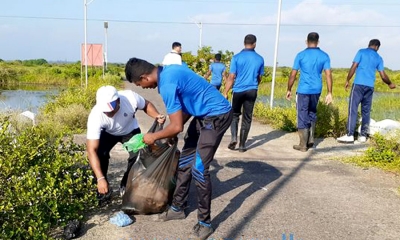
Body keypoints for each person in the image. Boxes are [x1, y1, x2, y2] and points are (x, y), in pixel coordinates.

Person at [125, 58, 232, 240]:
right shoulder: (170, 70)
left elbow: (176, 127)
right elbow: (188, 103)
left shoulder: (167, 83)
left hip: (217, 116)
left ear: (144, 77)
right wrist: (171, 131)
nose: (142, 88)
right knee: (184, 162)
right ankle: (177, 208)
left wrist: (153, 136)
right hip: (201, 114)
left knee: (199, 169)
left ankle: (205, 223)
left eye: (139, 84)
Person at [86, 85, 165, 202]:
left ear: (118, 101)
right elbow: (91, 150)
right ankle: (103, 189)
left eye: (110, 109)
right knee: (100, 154)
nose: (108, 113)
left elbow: (146, 104)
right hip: (108, 133)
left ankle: (126, 184)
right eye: (105, 110)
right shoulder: (96, 116)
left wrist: (157, 115)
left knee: (138, 156)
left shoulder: (130, 98)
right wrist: (100, 178)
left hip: (130, 131)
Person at [337, 39, 396, 143]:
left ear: (369, 45)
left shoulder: (361, 52)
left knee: (353, 109)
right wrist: (390, 83)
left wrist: (347, 80)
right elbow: (383, 75)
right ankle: (363, 136)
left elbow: (354, 66)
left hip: (358, 85)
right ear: (377, 47)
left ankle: (350, 135)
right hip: (370, 87)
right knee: (366, 111)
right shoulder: (379, 58)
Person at [286, 32, 333, 152]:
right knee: (312, 111)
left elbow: (293, 74)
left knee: (302, 114)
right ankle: (311, 139)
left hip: (303, 90)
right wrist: (329, 92)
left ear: (306, 41)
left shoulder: (300, 55)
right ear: (318, 41)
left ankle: (303, 145)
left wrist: (289, 89)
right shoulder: (324, 56)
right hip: (317, 89)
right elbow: (328, 74)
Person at [223, 34, 264, 152]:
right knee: (247, 117)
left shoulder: (236, 58)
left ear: (244, 43)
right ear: (255, 44)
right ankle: (242, 145)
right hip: (252, 90)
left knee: (235, 115)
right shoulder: (260, 58)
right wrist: (255, 84)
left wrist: (226, 91)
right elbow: (259, 77)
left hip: (238, 91)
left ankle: (234, 137)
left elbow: (231, 76)